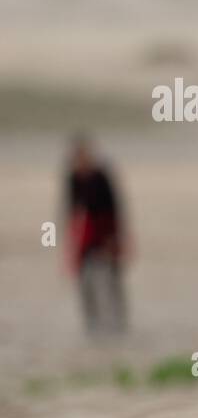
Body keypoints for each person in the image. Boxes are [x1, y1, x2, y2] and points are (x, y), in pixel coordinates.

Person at [65, 135, 129, 336]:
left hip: (106, 230)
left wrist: (114, 239)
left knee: (112, 277)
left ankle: (119, 318)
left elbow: (115, 208)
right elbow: (71, 209)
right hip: (86, 233)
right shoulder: (73, 177)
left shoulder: (102, 176)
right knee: (84, 278)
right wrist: (72, 238)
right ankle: (91, 321)